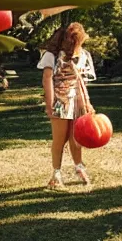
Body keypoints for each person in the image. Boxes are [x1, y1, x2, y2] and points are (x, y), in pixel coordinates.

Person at [40, 23, 97, 188]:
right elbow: (47, 79)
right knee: (60, 139)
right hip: (60, 101)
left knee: (76, 137)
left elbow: (82, 81)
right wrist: (50, 105)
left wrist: (87, 104)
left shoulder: (83, 55)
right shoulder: (52, 55)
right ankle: (56, 174)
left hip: (77, 100)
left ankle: (79, 167)